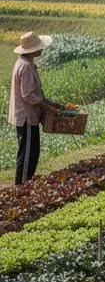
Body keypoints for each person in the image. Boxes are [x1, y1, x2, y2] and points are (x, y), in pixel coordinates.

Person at [8, 31, 64, 184]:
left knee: (33, 151)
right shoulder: (25, 67)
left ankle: (27, 183)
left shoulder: (28, 63)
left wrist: (51, 103)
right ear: (32, 50)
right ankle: (22, 186)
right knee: (27, 154)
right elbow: (27, 95)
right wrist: (47, 107)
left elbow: (35, 93)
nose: (42, 49)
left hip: (30, 116)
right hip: (26, 116)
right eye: (39, 47)